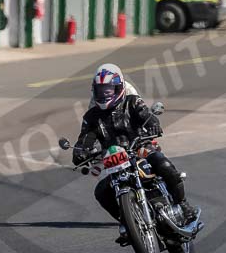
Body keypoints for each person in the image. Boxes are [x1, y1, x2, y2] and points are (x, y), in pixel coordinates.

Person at [72, 63, 197, 242]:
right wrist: (79, 151)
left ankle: (183, 204)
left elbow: (146, 115)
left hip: (140, 148)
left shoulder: (132, 102)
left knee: (162, 163)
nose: (105, 94)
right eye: (101, 90)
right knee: (101, 192)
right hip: (114, 159)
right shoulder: (91, 116)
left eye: (109, 89)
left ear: (119, 87)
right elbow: (85, 138)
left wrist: (153, 122)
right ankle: (128, 222)